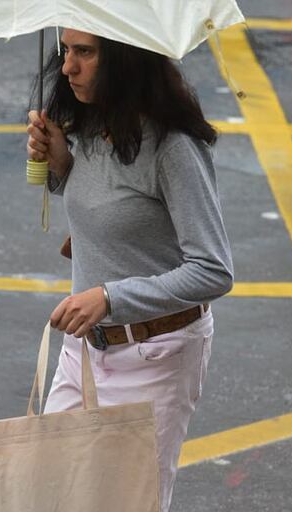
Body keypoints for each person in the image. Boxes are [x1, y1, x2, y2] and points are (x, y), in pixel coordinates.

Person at [26, 27, 234, 510]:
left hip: (153, 356)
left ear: (125, 58)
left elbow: (213, 269)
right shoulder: (92, 125)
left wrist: (109, 298)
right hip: (84, 351)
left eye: (85, 52)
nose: (67, 67)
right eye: (65, 51)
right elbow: (114, 210)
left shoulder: (173, 146)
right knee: (49, 494)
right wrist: (62, 165)